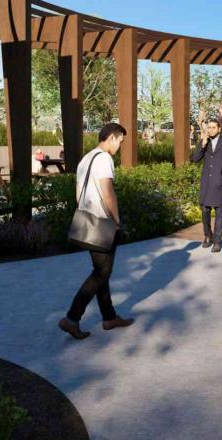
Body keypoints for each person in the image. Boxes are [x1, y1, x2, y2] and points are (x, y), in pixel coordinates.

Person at [59, 123, 135, 340]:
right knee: (101, 273)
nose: (119, 146)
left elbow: (78, 194)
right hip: (103, 222)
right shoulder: (104, 159)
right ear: (111, 137)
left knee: (102, 271)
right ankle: (72, 318)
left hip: (87, 222)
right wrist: (117, 220)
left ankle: (109, 317)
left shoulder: (86, 159)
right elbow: (108, 192)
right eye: (120, 141)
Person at [191, 118, 222, 253]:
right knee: (205, 210)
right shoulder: (205, 143)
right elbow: (195, 159)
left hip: (219, 184)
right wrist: (203, 144)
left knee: (219, 212)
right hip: (206, 183)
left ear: (219, 129)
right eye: (209, 127)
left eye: (213, 127)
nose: (210, 130)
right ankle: (208, 235)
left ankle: (217, 241)